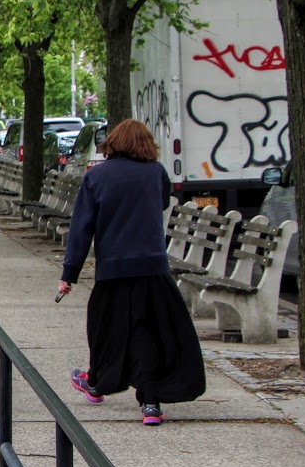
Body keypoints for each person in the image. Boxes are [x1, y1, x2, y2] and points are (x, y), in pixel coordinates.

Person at [57, 118, 204, 425]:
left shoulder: (97, 176)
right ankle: (150, 403)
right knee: (147, 332)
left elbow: (82, 228)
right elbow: (163, 202)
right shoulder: (156, 173)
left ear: (114, 142)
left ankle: (97, 381)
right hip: (152, 268)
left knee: (103, 327)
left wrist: (69, 273)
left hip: (114, 269)